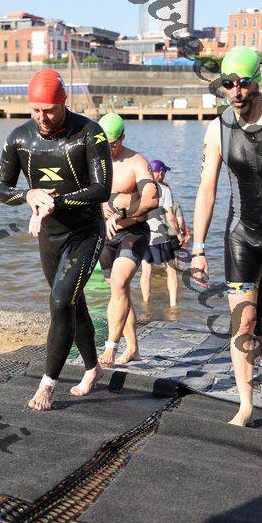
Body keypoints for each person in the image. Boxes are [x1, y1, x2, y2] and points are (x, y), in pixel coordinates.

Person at [0, 69, 113, 411]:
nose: (42, 118)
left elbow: (101, 189)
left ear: (63, 103)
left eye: (49, 110)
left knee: (60, 301)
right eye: (35, 110)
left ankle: (48, 384)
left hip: (85, 232)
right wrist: (28, 195)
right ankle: (92, 368)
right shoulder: (19, 138)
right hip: (49, 234)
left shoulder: (89, 133)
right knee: (71, 303)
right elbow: (0, 189)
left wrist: (54, 201)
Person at [191, 46, 262, 427]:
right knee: (243, 324)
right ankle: (245, 405)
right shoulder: (217, 129)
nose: (235, 91)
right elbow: (206, 190)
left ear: (258, 81)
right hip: (242, 236)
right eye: (227, 84)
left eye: (243, 83)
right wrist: (197, 248)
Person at [96, 113, 158, 366]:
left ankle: (111, 346)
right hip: (104, 235)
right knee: (118, 290)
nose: (107, 149)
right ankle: (133, 348)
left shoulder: (136, 162)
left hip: (132, 232)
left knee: (120, 282)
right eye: (102, 143)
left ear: (122, 138)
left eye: (112, 144)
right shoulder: (93, 160)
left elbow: (152, 199)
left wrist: (121, 215)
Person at [140, 160, 184, 306]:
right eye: (164, 171)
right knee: (171, 270)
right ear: (159, 172)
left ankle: (145, 303)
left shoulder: (140, 187)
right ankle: (173, 304)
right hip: (160, 236)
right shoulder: (164, 190)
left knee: (146, 270)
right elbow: (171, 217)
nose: (164, 174)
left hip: (143, 235)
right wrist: (178, 233)